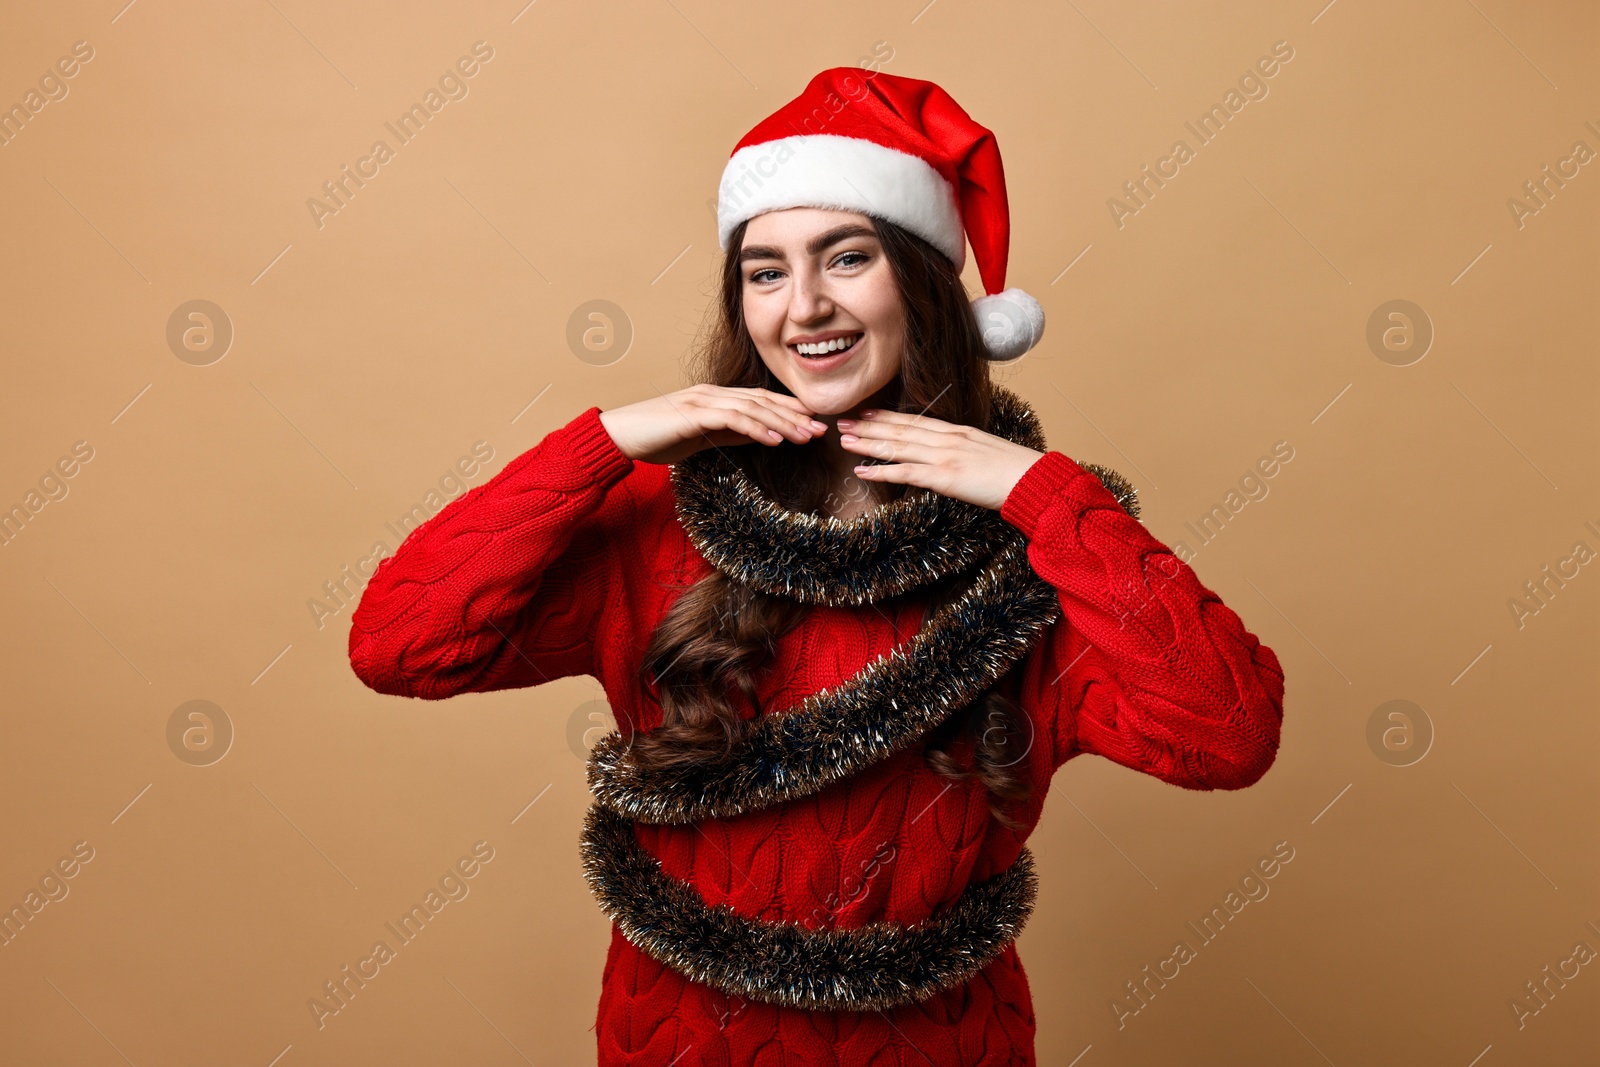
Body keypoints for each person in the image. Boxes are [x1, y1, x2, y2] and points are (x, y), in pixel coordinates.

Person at [348, 68, 1285, 1067]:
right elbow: (398, 644)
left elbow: (1228, 734)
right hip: (677, 1041)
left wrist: (1045, 493)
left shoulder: (1041, 552)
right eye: (764, 271)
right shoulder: (655, 523)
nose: (803, 308)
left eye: (846, 258)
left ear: (922, 282)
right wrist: (606, 440)